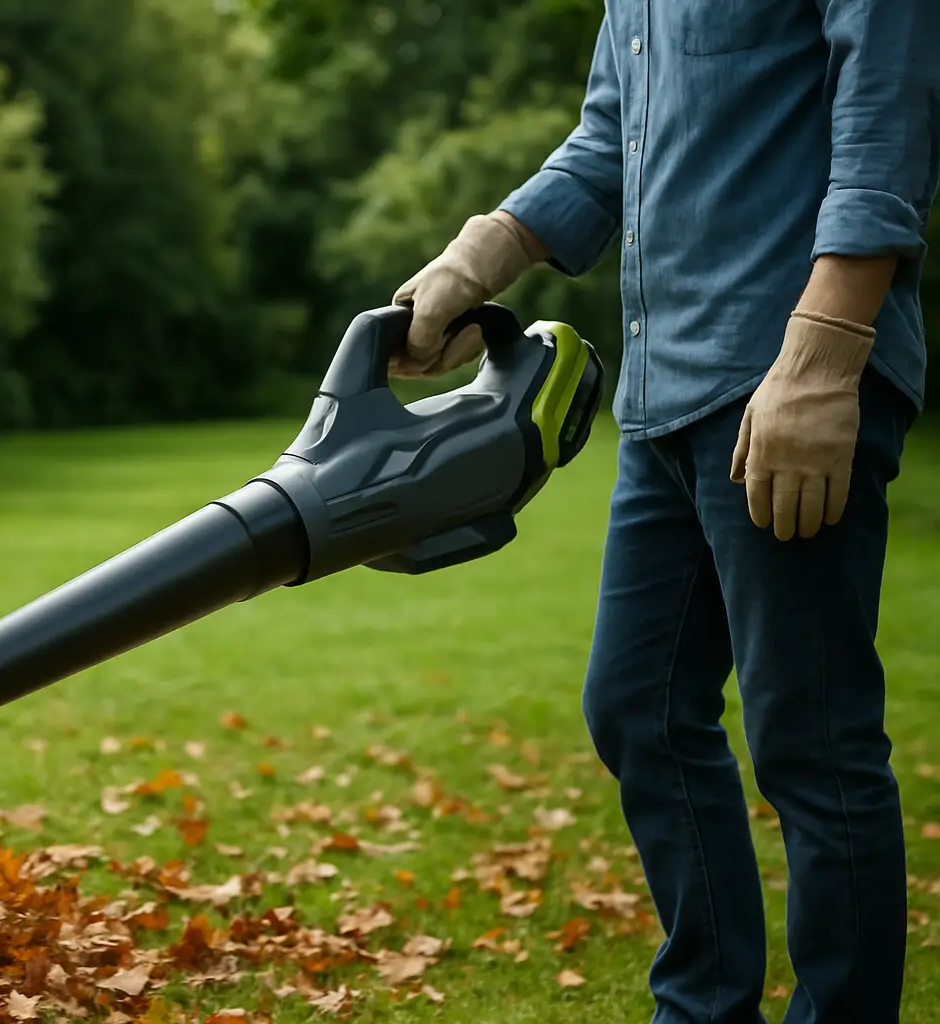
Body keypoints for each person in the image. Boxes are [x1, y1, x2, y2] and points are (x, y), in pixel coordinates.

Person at [390, 4, 939, 1023]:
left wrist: (823, 351)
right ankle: (702, 1008)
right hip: (668, 383)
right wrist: (481, 254)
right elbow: (612, 135)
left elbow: (887, 108)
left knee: (810, 737)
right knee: (637, 706)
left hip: (785, 372)